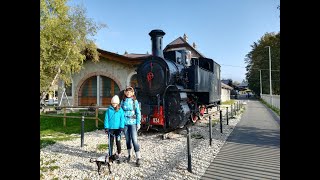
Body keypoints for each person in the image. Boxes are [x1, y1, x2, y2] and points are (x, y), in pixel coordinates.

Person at [121, 86, 142, 167]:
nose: (128, 93)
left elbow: (138, 113)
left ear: (133, 93)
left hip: (133, 123)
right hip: (125, 123)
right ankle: (129, 155)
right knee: (127, 140)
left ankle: (138, 157)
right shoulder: (123, 101)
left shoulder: (135, 102)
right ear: (125, 93)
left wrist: (138, 123)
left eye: (130, 91)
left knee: (134, 140)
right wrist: (121, 123)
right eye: (127, 91)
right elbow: (121, 113)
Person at [104, 95, 125, 164]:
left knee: (118, 142)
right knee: (110, 143)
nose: (114, 105)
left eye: (115, 103)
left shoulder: (120, 110)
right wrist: (106, 127)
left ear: (118, 103)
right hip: (111, 129)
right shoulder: (108, 110)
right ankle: (110, 156)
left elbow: (122, 119)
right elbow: (106, 119)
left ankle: (118, 154)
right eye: (113, 103)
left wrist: (121, 127)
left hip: (118, 129)